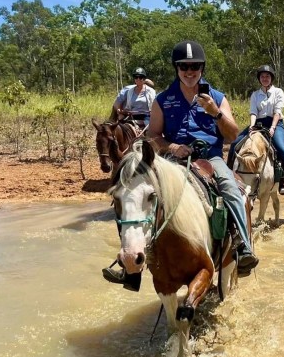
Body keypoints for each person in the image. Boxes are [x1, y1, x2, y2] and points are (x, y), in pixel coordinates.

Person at [102, 40, 258, 289]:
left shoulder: (217, 97)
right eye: (184, 66)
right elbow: (153, 135)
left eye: (195, 65)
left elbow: (231, 135)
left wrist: (215, 112)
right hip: (172, 160)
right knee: (134, 192)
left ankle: (243, 246)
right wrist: (172, 147)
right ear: (176, 68)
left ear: (202, 68)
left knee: (230, 187)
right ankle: (131, 267)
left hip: (210, 158)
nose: (189, 71)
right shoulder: (163, 100)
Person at [227, 65, 284, 195]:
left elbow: (277, 112)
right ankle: (228, 175)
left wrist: (273, 127)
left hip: (275, 123)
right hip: (258, 123)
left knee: (281, 148)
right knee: (235, 144)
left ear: (271, 78)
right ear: (259, 79)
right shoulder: (255, 95)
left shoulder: (278, 92)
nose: (265, 78)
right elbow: (253, 112)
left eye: (267, 76)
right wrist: (252, 126)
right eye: (262, 76)